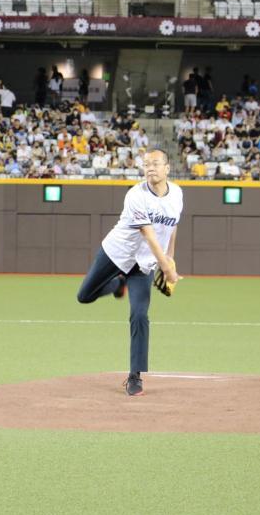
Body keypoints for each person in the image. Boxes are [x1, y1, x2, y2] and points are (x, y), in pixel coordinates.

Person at [76, 149, 183, 396]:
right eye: (146, 164)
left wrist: (170, 257)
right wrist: (166, 269)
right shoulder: (136, 195)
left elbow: (172, 226)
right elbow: (148, 233)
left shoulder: (177, 193)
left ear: (167, 168)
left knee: (139, 316)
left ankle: (135, 376)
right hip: (117, 253)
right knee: (84, 296)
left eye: (155, 163)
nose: (150, 168)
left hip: (144, 263)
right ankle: (116, 284)